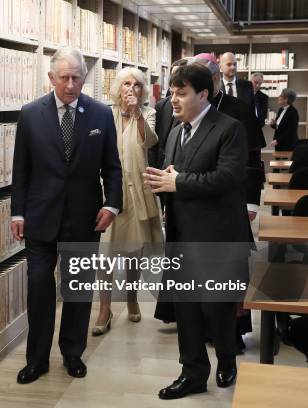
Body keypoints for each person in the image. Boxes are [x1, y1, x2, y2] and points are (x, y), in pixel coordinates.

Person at [10, 47, 123, 384]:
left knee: (77, 289)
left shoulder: (101, 115)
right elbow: (21, 171)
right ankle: (37, 359)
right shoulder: (30, 115)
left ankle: (73, 353)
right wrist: (17, 212)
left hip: (85, 217)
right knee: (39, 288)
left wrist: (112, 204)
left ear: (84, 78)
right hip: (39, 217)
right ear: (51, 78)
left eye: (77, 78)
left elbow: (113, 168)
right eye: (64, 78)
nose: (71, 85)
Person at [144, 64, 250, 399]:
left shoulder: (229, 128)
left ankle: (226, 358)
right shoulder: (176, 131)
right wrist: (162, 182)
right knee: (186, 310)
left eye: (182, 93)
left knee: (216, 308)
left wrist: (177, 181)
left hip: (217, 236)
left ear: (203, 95)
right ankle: (192, 373)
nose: (173, 99)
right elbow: (174, 174)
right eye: (172, 92)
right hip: (181, 236)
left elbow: (228, 178)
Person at [91, 67, 163, 336]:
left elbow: (150, 142)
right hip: (109, 194)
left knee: (134, 252)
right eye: (126, 84)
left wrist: (136, 114)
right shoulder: (104, 114)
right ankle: (104, 308)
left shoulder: (148, 113)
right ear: (118, 88)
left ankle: (132, 298)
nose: (131, 89)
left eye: (137, 85)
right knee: (105, 256)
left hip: (137, 192)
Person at [220, 52, 267, 151]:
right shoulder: (215, 88)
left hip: (244, 139)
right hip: (222, 139)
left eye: (235, 64)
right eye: (229, 64)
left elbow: (253, 111)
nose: (233, 67)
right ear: (220, 66)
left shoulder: (247, 86)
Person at [149, 58, 188, 169]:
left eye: (181, 74)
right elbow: (154, 142)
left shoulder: (191, 107)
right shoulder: (161, 105)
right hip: (160, 166)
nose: (176, 78)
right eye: (174, 75)